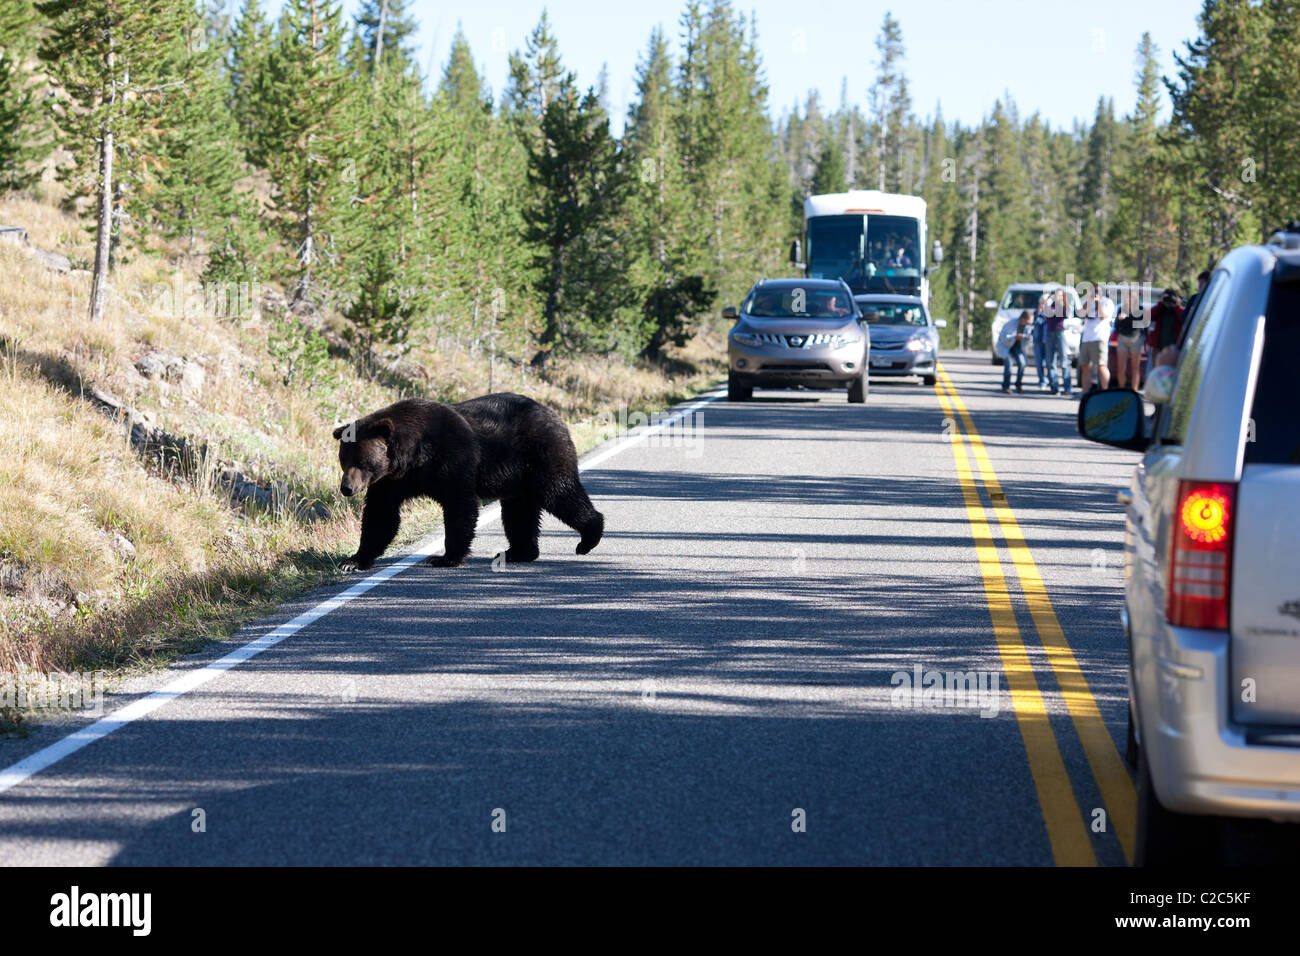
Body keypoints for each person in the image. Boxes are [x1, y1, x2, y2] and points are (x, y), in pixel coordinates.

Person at [1147, 287, 1185, 379]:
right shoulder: (1160, 309)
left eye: (1171, 298)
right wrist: (1161, 303)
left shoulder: (1178, 310)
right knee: (1157, 371)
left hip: (1173, 348)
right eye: (1167, 298)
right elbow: (1149, 316)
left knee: (1172, 371)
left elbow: (1183, 318)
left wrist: (1175, 305)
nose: (1169, 301)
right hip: (1158, 347)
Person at [1079, 296, 1114, 392]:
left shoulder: (1107, 302)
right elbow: (1081, 314)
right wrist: (1087, 303)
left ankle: (1105, 391)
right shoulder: (1088, 301)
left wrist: (1098, 303)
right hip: (1086, 338)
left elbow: (1103, 316)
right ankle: (1085, 392)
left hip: (1100, 338)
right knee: (1085, 365)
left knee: (1101, 365)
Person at [1044, 289, 1072, 396]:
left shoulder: (1065, 307)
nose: (1058, 297)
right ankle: (1054, 387)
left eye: (1060, 295)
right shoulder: (1051, 306)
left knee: (1064, 361)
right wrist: (1048, 301)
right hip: (1050, 334)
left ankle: (1067, 387)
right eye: (1056, 295)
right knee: (1051, 362)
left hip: (1060, 334)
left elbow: (1062, 314)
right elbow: (1048, 313)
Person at [1114, 289, 1144, 389]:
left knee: (1135, 368)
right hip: (1122, 338)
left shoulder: (1140, 309)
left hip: (1136, 339)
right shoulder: (1122, 309)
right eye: (1127, 297)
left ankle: (1134, 390)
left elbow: (1142, 325)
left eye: (1131, 297)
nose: (1129, 299)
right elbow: (1116, 326)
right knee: (1120, 367)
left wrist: (1127, 318)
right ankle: (1121, 389)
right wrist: (1119, 319)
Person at [1002, 309, 1032, 393]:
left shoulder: (1027, 327)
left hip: (1018, 347)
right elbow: (1003, 338)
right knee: (1009, 365)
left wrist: (1028, 338)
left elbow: (1028, 341)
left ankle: (1018, 384)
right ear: (1023, 319)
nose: (1029, 324)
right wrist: (1014, 337)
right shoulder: (1011, 323)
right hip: (1006, 346)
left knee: (1022, 364)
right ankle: (1006, 386)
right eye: (1028, 321)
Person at [1032, 293, 1050, 390]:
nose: (1043, 305)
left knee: (1049, 362)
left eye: (1045, 302)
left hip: (1048, 341)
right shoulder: (1035, 313)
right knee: (1039, 363)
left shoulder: (1051, 313)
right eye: (1042, 302)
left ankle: (1051, 381)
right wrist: (1038, 314)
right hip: (1038, 341)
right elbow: (1033, 324)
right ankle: (1042, 381)